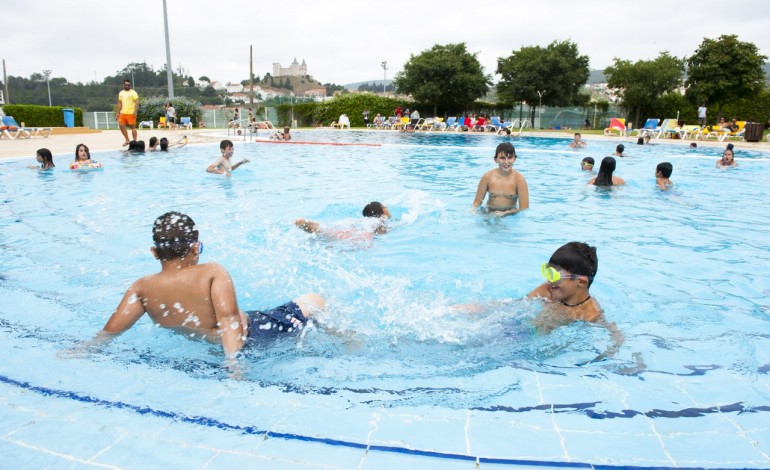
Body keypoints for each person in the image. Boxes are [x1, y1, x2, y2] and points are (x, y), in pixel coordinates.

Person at [89, 211, 325, 358]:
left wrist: (84, 350)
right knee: (316, 300)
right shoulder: (212, 272)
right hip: (254, 337)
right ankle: (344, 340)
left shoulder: (140, 288)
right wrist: (235, 368)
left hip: (218, 343)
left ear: (154, 252)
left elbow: (108, 333)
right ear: (195, 248)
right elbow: (229, 320)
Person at [528, 242, 623, 358]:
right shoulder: (548, 290)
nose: (549, 280)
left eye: (554, 275)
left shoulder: (590, 313)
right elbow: (518, 304)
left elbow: (616, 336)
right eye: (547, 271)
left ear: (581, 282)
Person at [472, 142, 530, 216]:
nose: (506, 162)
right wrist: (473, 212)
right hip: (488, 212)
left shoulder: (519, 180)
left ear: (515, 159)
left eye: (510, 157)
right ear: (495, 159)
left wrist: (504, 213)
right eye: (502, 158)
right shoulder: (487, 177)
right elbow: (476, 203)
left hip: (509, 214)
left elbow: (524, 208)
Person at [295, 201, 392, 237]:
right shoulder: (381, 220)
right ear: (381, 211)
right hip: (363, 232)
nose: (387, 208)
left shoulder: (366, 221)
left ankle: (314, 227)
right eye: (385, 207)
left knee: (330, 232)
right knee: (337, 236)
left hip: (352, 226)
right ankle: (315, 228)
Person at [117, 79, 139, 146]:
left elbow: (137, 102)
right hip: (123, 112)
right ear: (123, 85)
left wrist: (135, 111)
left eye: (128, 85)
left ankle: (134, 141)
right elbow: (119, 103)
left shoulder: (133, 93)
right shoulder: (121, 93)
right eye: (126, 85)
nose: (127, 86)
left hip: (131, 113)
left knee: (133, 127)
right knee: (121, 126)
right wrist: (118, 112)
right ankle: (127, 140)